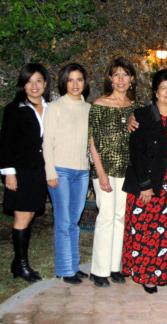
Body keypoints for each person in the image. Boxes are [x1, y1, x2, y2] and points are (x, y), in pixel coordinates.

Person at [122, 69, 167, 294]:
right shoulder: (143, 115)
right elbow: (136, 153)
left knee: (163, 232)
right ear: (156, 92)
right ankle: (147, 276)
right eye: (163, 88)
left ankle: (161, 273)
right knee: (145, 232)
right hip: (147, 186)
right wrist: (145, 185)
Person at [0, 63, 51, 282]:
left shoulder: (51, 108)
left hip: (40, 171)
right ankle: (21, 265)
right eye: (29, 81)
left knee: (30, 214)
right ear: (23, 84)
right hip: (20, 171)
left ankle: (16, 262)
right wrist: (8, 173)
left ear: (45, 83)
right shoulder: (14, 109)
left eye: (38, 80)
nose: (34, 86)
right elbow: (5, 144)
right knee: (22, 217)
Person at [88, 57, 136, 288]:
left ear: (132, 79)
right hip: (105, 169)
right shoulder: (99, 104)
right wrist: (100, 172)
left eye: (125, 75)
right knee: (106, 217)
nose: (120, 79)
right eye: (116, 74)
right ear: (110, 78)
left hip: (127, 170)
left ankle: (115, 266)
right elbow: (91, 141)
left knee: (121, 218)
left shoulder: (134, 107)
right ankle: (99, 270)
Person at [43, 63, 91, 285]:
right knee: (63, 221)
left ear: (84, 82)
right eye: (70, 80)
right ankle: (65, 269)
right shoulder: (54, 107)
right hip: (60, 171)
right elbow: (47, 142)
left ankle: (73, 265)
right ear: (64, 82)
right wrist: (50, 172)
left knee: (74, 221)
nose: (75, 84)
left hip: (81, 172)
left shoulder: (89, 108)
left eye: (79, 79)